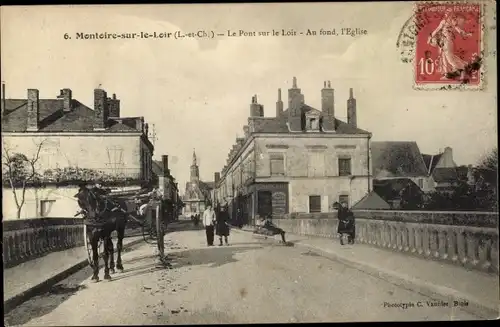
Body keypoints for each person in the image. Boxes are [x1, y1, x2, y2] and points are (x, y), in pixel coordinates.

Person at [427, 10, 473, 81]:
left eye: (448, 13)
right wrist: (430, 38)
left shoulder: (453, 22)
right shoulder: (443, 22)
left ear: (451, 15)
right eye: (446, 13)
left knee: (450, 58)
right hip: (442, 42)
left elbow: (459, 30)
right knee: (444, 58)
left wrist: (466, 34)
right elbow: (436, 30)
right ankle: (447, 74)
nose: (446, 15)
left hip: (448, 41)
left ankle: (463, 67)